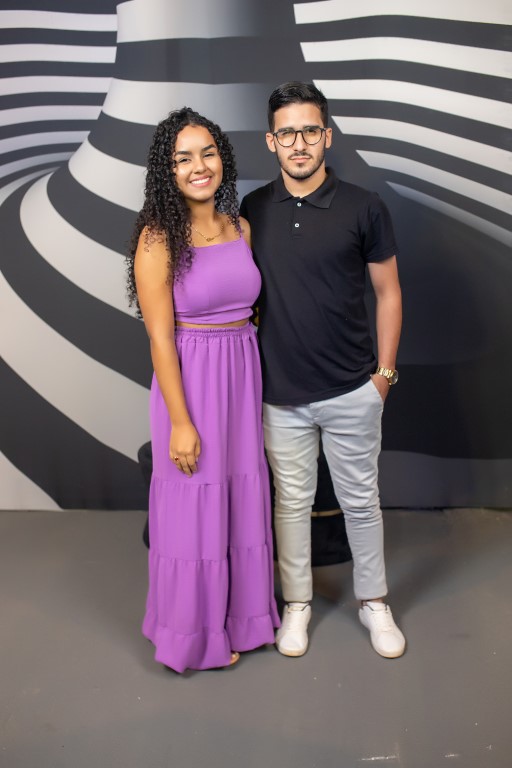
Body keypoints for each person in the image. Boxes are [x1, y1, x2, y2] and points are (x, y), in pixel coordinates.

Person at [240, 82, 406, 659]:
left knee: (361, 502)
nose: (299, 143)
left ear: (327, 136)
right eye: (287, 133)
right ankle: (298, 605)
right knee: (291, 504)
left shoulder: (365, 206)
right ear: (271, 142)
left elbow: (388, 293)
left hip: (352, 388)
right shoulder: (253, 209)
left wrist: (383, 377)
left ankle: (374, 602)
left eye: (310, 130)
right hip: (279, 394)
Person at [127, 107, 280, 673]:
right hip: (191, 384)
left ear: (223, 159)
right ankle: (193, 635)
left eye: (208, 153)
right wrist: (181, 422)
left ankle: (243, 620)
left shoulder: (240, 227)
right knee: (194, 510)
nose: (199, 166)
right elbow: (160, 339)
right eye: (183, 158)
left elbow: (250, 309)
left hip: (240, 376)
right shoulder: (157, 239)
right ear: (167, 171)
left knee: (240, 498)